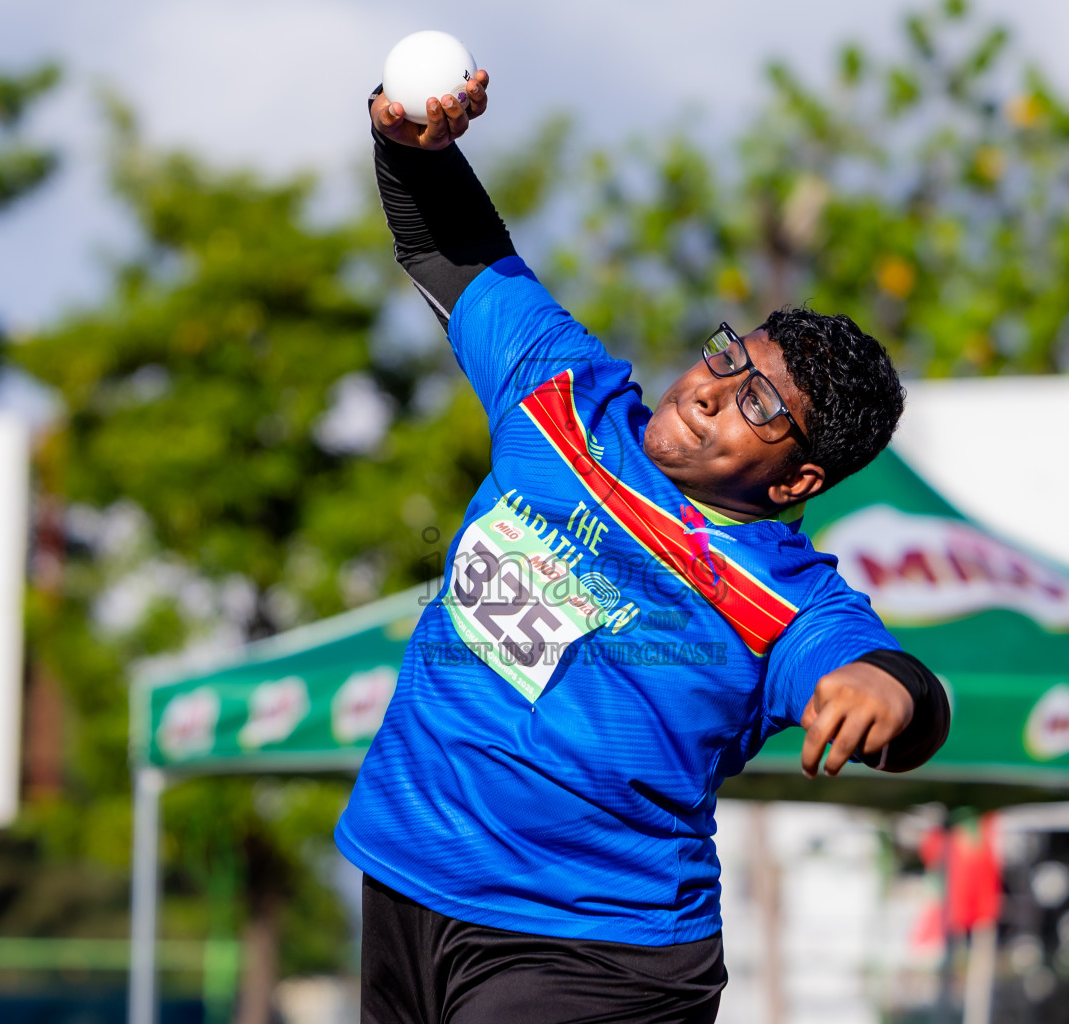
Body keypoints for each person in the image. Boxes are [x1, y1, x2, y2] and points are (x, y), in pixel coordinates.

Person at [336, 71, 951, 1024]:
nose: (710, 388)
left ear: (795, 484)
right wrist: (414, 146)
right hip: (409, 880)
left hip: (595, 954)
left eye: (757, 404)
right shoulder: (561, 398)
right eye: (726, 356)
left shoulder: (785, 598)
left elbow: (888, 681)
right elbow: (456, 253)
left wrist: (895, 694)